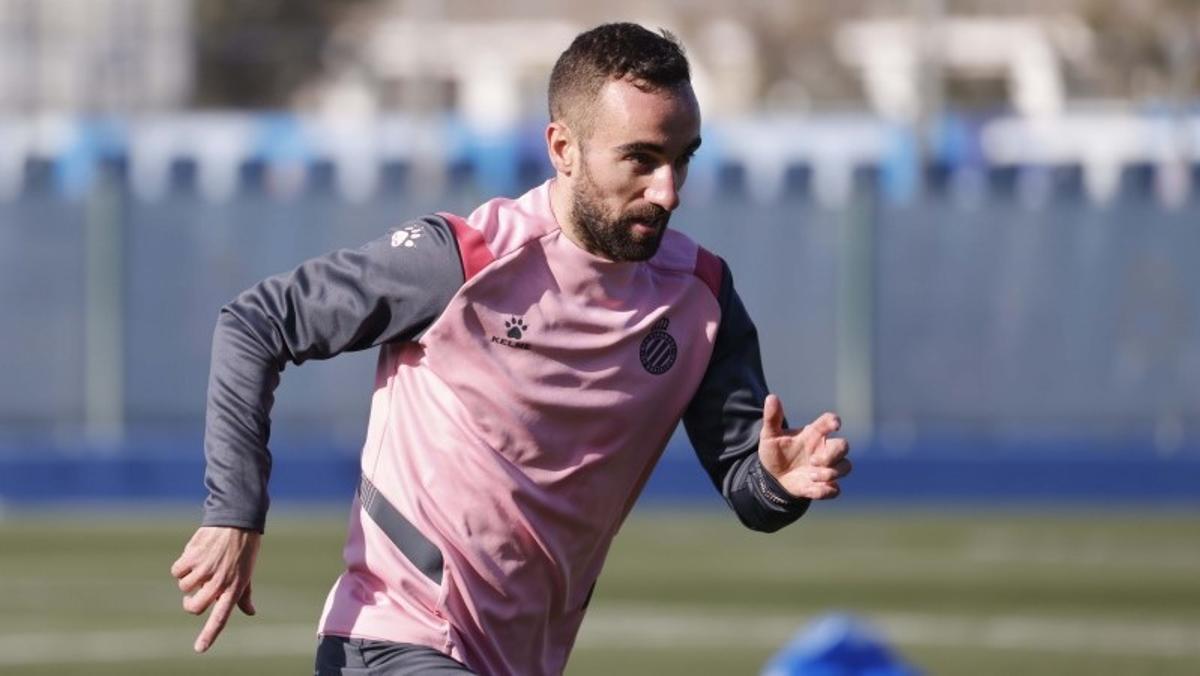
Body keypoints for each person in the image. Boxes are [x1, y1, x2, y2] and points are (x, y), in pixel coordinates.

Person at [170, 22, 852, 676]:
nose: (667, 191)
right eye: (641, 160)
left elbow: (749, 488)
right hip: (393, 641)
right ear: (563, 149)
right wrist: (234, 511)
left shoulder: (700, 297)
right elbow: (256, 322)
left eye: (682, 160)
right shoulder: (463, 262)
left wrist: (777, 482)